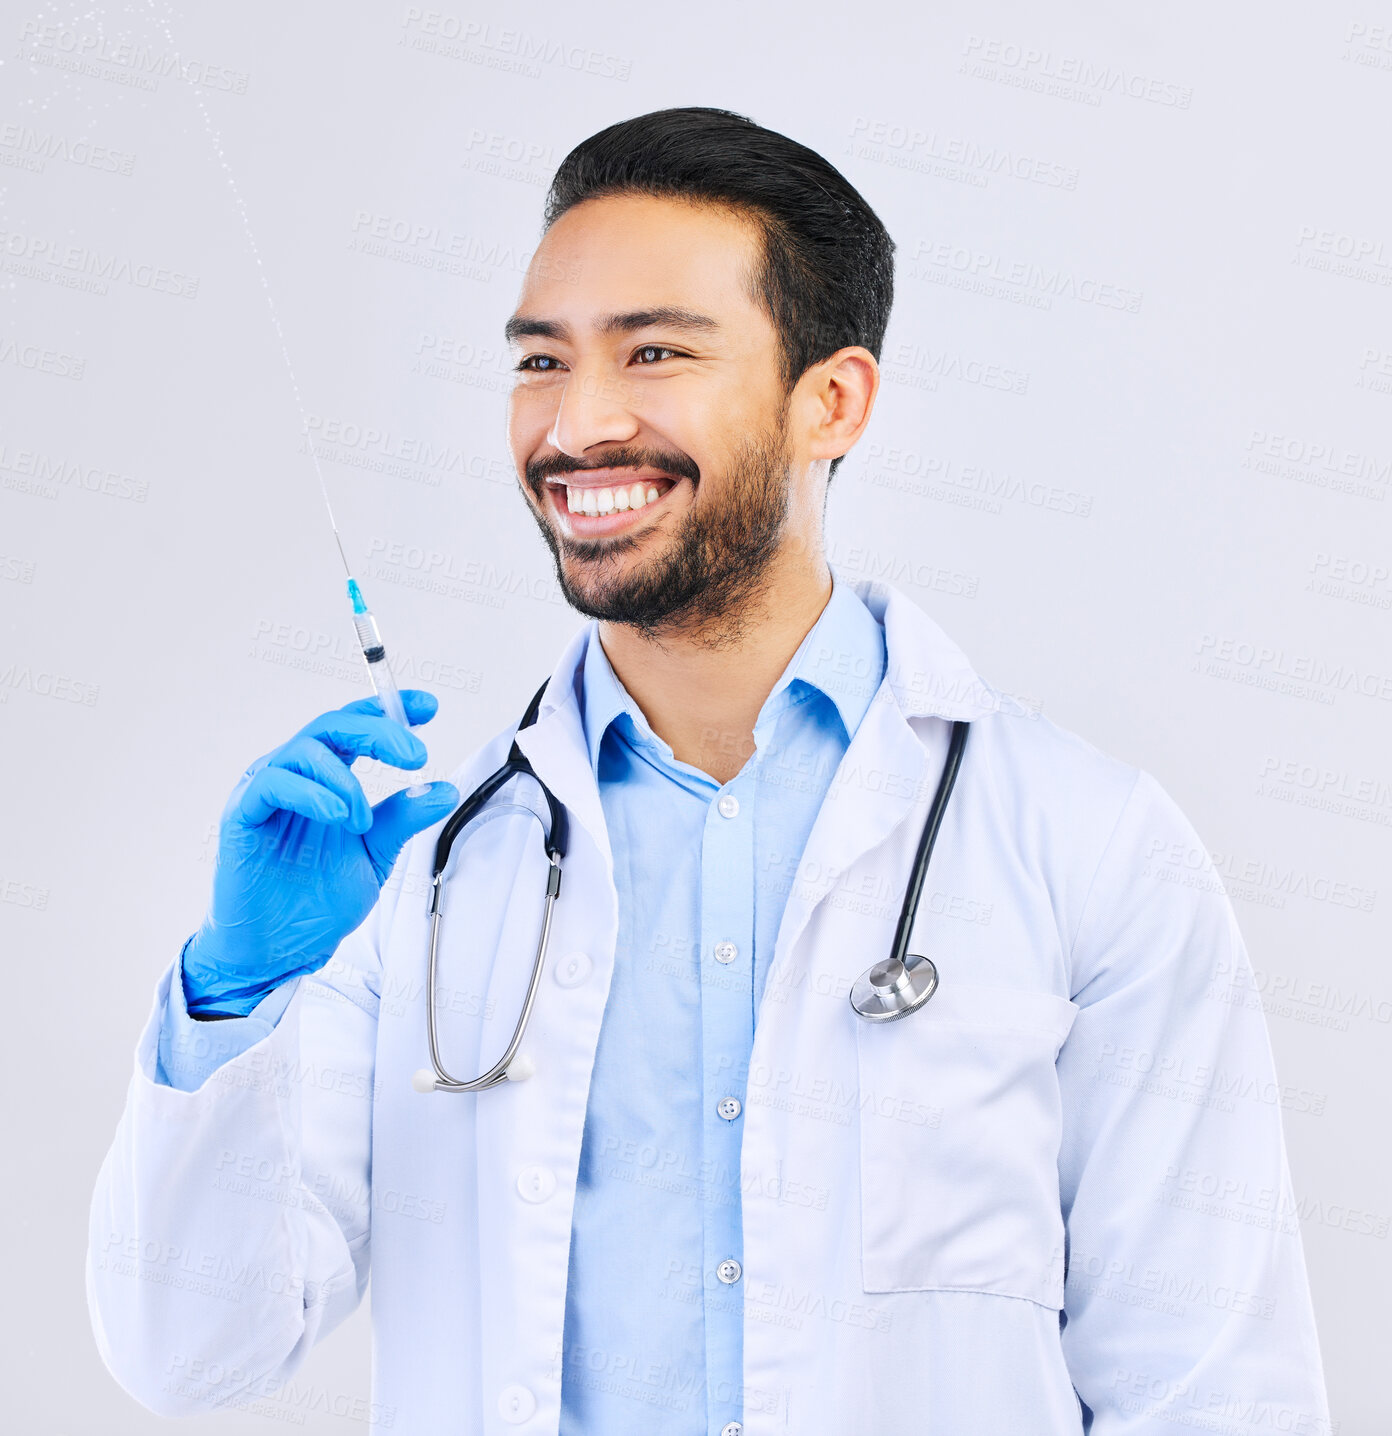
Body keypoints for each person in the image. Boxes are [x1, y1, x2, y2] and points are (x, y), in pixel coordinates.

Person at [88, 107, 1332, 1436]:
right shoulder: (419, 872)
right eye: (540, 361)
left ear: (831, 400)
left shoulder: (1087, 845)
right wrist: (238, 988)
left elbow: (1211, 1390)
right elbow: (189, 1353)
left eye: (657, 352)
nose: (578, 424)